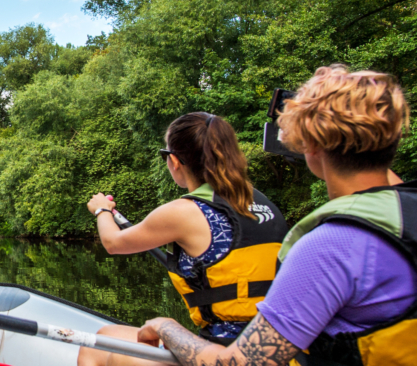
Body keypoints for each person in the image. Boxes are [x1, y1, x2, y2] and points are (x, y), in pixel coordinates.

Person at [130, 65, 417, 366]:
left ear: (312, 145)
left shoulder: (331, 246)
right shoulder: (403, 214)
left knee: (105, 350)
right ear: (392, 137)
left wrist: (165, 326)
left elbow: (241, 364)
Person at [79, 112, 289, 366]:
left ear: (175, 161)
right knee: (102, 338)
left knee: (113, 355)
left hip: (227, 354)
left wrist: (102, 209)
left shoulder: (183, 212)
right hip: (276, 350)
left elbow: (113, 243)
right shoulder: (261, 201)